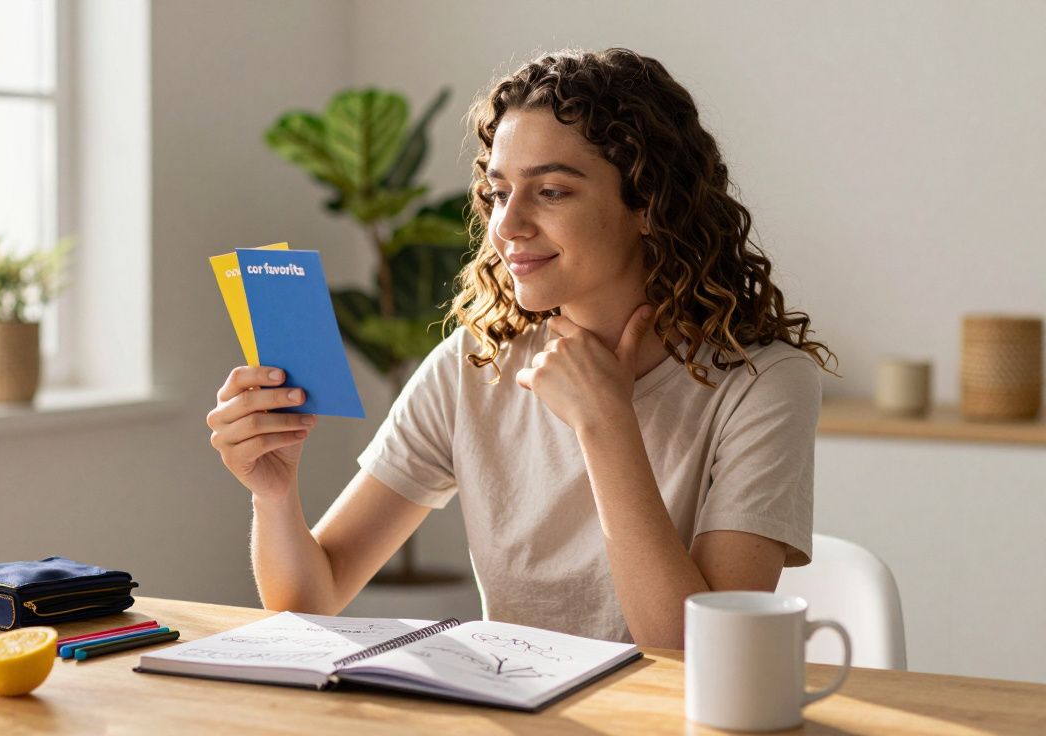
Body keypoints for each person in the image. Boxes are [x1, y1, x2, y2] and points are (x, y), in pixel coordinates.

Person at [207, 48, 834, 649]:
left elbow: (694, 655)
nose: (507, 225)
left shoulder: (762, 383)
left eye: (552, 191)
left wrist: (605, 421)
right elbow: (308, 600)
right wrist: (274, 494)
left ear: (649, 203)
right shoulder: (474, 362)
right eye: (499, 191)